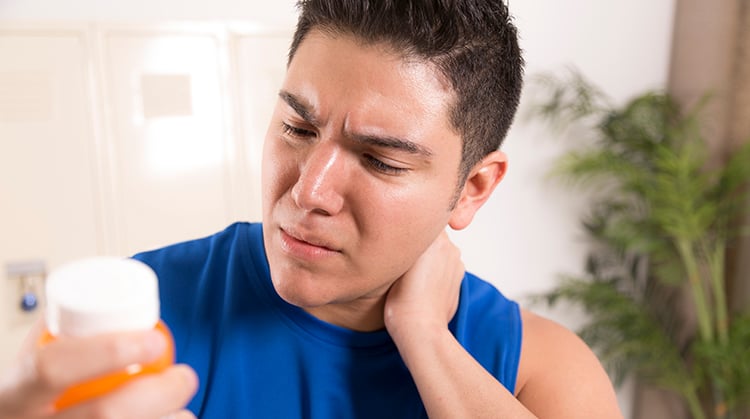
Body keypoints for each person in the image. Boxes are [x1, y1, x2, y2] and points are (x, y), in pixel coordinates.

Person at [0, 0, 624, 417]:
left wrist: (426, 338)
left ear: (473, 188)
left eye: (381, 160)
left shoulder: (537, 370)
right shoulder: (132, 325)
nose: (309, 192)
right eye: (298, 127)